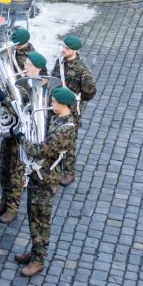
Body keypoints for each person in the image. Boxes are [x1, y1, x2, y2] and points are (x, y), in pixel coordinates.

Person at [12, 87, 77, 277]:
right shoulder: (57, 118)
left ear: (63, 105)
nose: (51, 104)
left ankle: (38, 260)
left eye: (54, 102)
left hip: (46, 179)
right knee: (33, 215)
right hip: (39, 174)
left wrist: (23, 139)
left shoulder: (65, 129)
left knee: (41, 219)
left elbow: (40, 150)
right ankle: (34, 252)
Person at [0, 51, 48, 225]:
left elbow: (24, 113)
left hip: (24, 136)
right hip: (11, 132)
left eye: (28, 65)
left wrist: (6, 100)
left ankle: (13, 208)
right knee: (5, 169)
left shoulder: (38, 88)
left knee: (16, 173)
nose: (24, 67)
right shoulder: (23, 82)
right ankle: (4, 202)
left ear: (37, 68)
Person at [50, 35, 96, 186]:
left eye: (67, 48)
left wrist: (74, 99)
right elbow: (54, 79)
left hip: (71, 110)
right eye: (63, 47)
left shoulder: (83, 71)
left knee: (69, 141)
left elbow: (90, 92)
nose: (63, 50)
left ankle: (69, 172)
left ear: (75, 50)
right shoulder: (60, 62)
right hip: (56, 105)